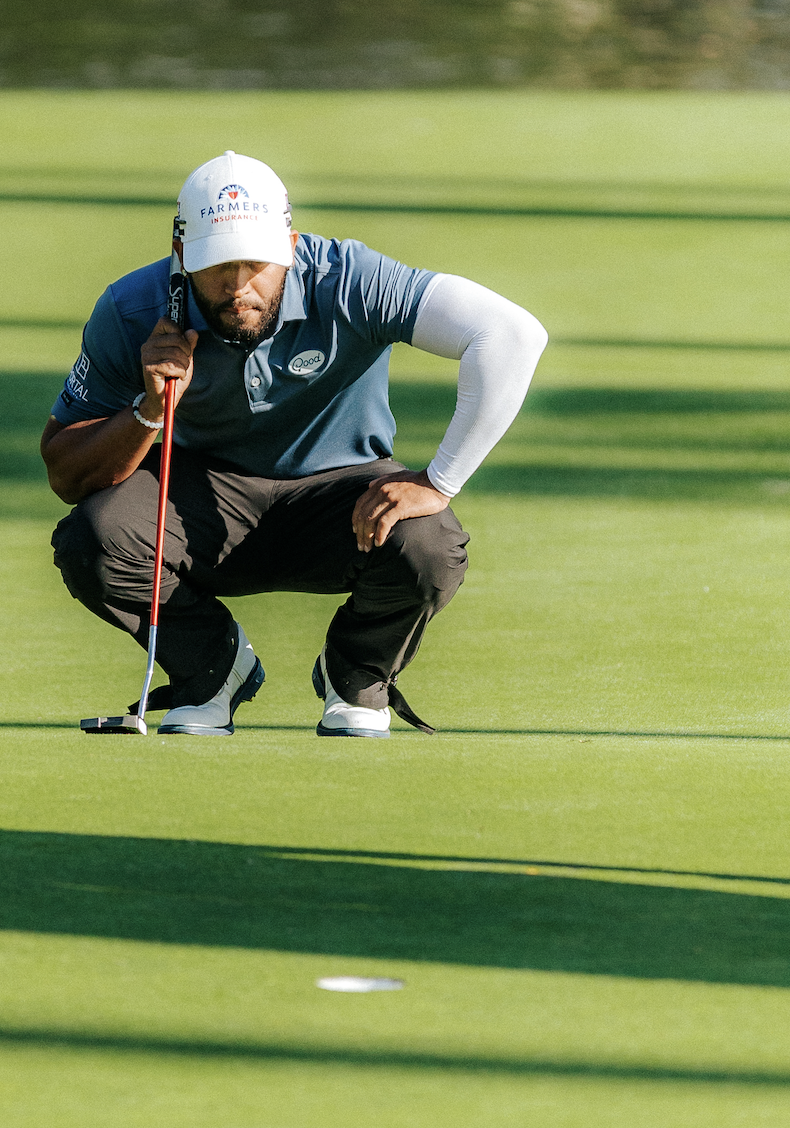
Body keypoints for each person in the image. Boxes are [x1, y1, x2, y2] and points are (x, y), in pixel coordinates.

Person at [42, 151, 547, 738]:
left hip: (341, 496)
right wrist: (148, 410)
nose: (238, 287)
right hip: (196, 501)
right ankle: (210, 671)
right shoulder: (133, 309)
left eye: (257, 264)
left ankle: (356, 676)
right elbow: (67, 474)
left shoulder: (348, 278)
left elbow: (510, 334)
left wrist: (439, 481)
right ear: (181, 253)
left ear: (290, 243)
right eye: (216, 266)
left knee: (428, 545)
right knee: (94, 538)